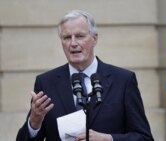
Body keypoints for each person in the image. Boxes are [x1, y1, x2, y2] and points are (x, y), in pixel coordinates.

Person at [16, 9, 154, 141]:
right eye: (67, 37)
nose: (73, 43)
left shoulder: (123, 80)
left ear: (94, 39)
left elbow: (144, 137)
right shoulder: (46, 82)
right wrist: (33, 123)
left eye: (80, 36)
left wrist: (109, 139)